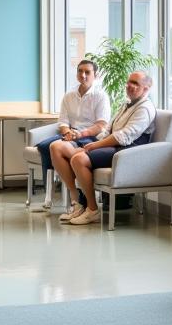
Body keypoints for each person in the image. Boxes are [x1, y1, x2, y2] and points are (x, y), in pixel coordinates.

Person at [52, 71, 157, 225]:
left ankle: (92, 211)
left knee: (79, 159)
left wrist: (94, 146)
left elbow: (124, 136)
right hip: (114, 146)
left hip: (126, 152)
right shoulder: (126, 104)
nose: (129, 85)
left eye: (135, 83)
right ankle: (80, 204)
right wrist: (92, 144)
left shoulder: (145, 109)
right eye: (129, 82)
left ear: (146, 88)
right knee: (61, 149)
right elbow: (109, 129)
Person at [35, 59, 110, 213]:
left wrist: (81, 134)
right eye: (80, 71)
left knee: (54, 147)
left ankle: (77, 196)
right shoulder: (69, 95)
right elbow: (62, 122)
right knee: (47, 146)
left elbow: (101, 125)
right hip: (71, 134)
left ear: (95, 75)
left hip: (89, 136)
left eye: (87, 72)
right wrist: (68, 132)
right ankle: (75, 197)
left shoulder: (101, 96)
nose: (83, 75)